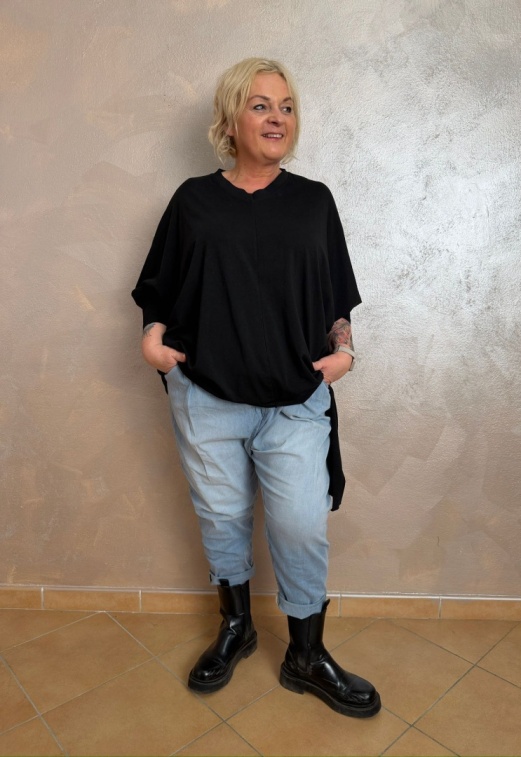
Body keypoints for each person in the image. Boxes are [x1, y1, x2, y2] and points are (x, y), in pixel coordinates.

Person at [132, 58, 380, 718]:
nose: (277, 118)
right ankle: (237, 626)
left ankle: (306, 653)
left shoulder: (314, 201)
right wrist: (153, 339)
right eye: (261, 105)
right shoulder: (193, 201)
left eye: (287, 106)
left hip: (295, 398)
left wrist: (344, 350)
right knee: (221, 518)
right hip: (206, 395)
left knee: (300, 525)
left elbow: (336, 298)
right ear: (231, 120)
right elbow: (159, 288)